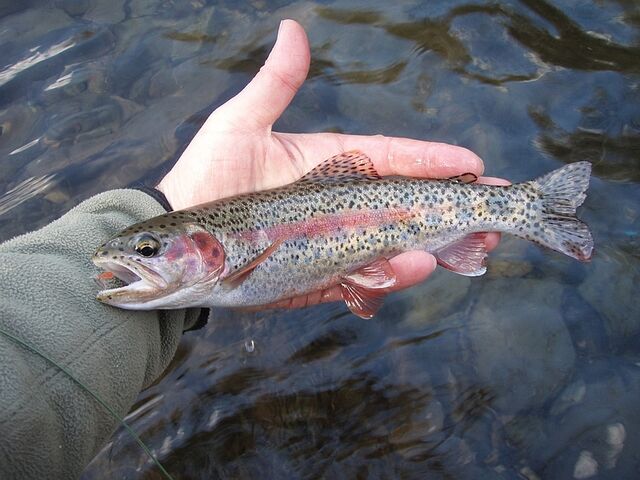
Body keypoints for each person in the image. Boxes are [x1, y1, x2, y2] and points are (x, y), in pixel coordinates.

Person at [0, 20, 503, 479]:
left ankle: (517, 210)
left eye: (149, 248)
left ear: (204, 248)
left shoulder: (224, 272)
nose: (138, 259)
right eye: (148, 250)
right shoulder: (209, 272)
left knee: (425, 249)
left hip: (390, 211)